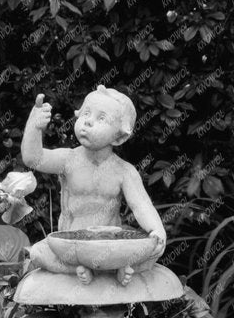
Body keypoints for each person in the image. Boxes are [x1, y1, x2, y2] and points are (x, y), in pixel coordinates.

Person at [21, 86, 166, 285]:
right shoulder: (68, 160)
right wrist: (34, 126)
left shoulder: (124, 171)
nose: (88, 121)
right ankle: (92, 270)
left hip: (109, 247)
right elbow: (33, 159)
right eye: (86, 114)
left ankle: (106, 268)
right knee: (38, 253)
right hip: (73, 246)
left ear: (120, 137)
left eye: (101, 118)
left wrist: (157, 230)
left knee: (153, 250)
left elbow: (141, 205)